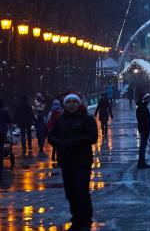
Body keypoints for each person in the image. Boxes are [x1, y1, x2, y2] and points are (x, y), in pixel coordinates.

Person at [48, 94, 98, 230]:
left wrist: (75, 141)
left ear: (79, 104)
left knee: (81, 190)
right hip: (66, 160)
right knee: (70, 192)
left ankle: (85, 220)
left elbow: (93, 137)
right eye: (68, 102)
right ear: (65, 104)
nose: (71, 105)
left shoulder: (87, 119)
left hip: (82, 160)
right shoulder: (60, 120)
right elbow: (51, 135)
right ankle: (76, 218)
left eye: (74, 102)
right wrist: (59, 143)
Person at [136, 93, 150, 168]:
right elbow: (144, 120)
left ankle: (141, 162)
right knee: (143, 146)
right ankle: (141, 163)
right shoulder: (142, 108)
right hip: (144, 129)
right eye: (147, 99)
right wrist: (146, 129)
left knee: (143, 146)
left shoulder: (141, 107)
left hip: (143, 129)